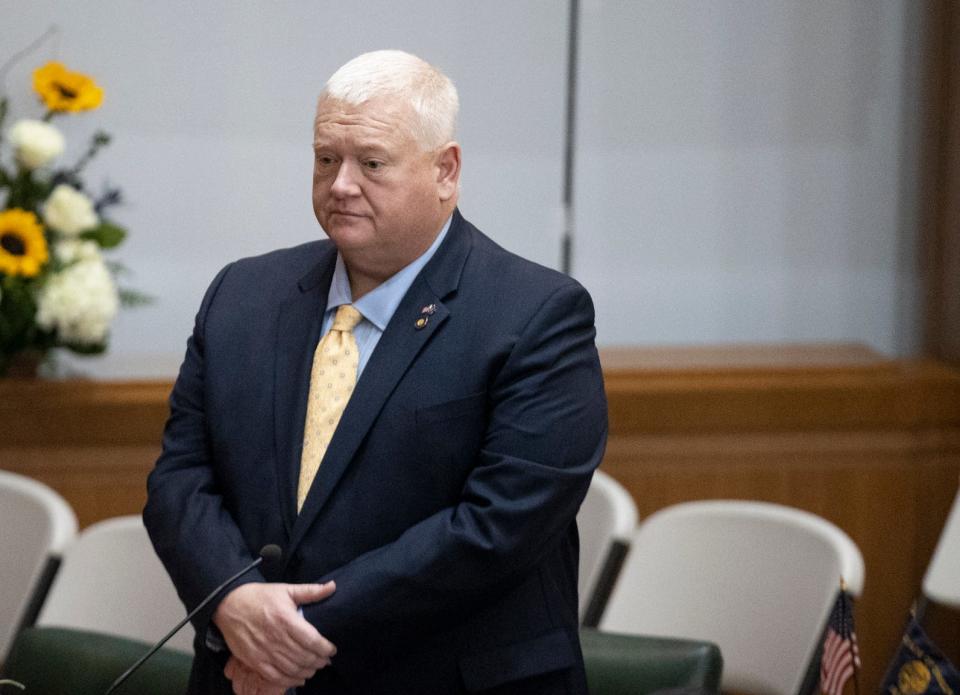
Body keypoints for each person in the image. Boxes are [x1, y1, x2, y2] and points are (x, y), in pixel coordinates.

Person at [144, 49, 607, 694]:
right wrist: (233, 602)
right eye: (326, 159)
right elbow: (180, 479)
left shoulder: (536, 315)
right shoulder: (242, 295)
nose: (340, 184)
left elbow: (496, 528)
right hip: (242, 667)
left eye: (373, 163)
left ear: (446, 171)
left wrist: (286, 636)